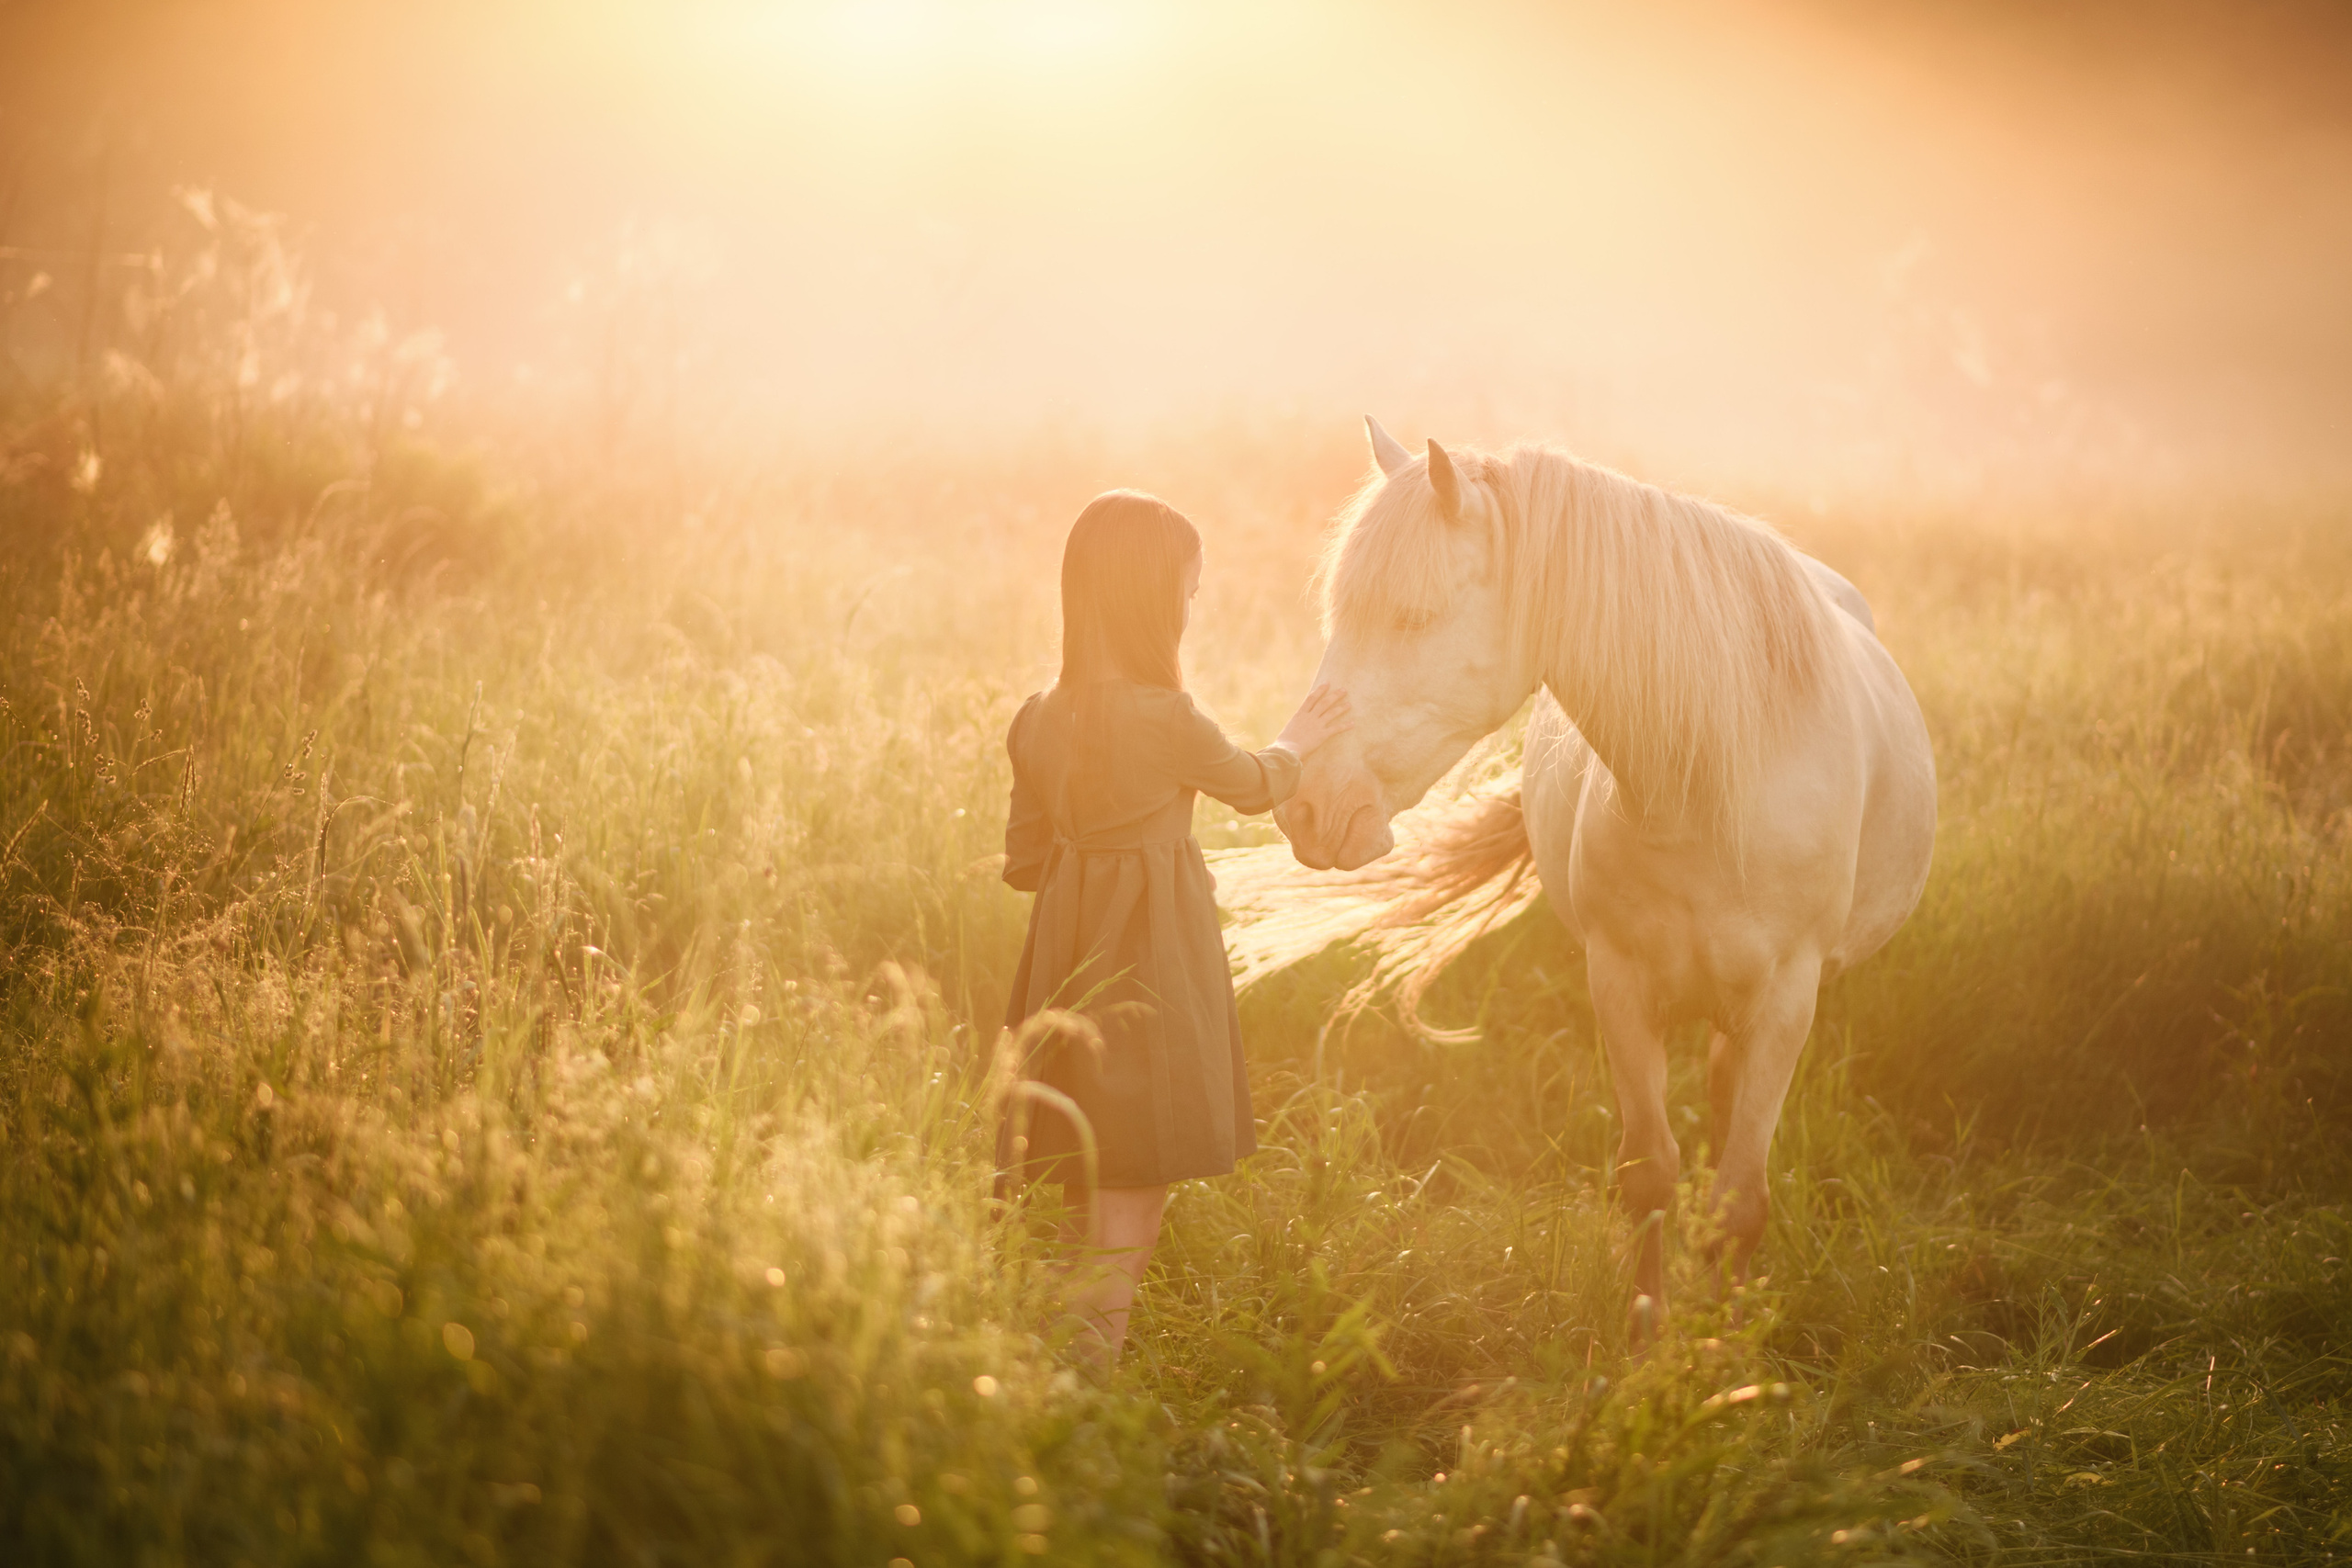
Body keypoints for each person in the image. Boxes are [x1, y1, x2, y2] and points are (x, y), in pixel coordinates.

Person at [997, 490, 1351, 1365]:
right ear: (1155, 601)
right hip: (1153, 956)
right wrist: (1300, 739)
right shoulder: (1169, 718)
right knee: (1138, 1172)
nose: (1191, 612)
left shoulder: (1037, 719)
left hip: (1066, 960)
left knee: (1089, 1167)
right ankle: (1092, 1372)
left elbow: (1026, 862)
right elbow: (1253, 782)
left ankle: (1066, 1359)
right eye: (1188, 595)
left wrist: (1093, 847)